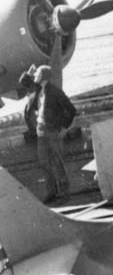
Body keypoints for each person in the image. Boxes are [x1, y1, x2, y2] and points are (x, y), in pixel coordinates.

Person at [33, 65, 75, 202]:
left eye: (37, 74)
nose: (35, 76)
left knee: (58, 162)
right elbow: (24, 82)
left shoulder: (55, 92)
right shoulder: (38, 90)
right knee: (44, 161)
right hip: (41, 131)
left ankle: (64, 194)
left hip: (52, 131)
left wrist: (65, 127)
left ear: (44, 77)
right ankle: (51, 192)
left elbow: (71, 109)